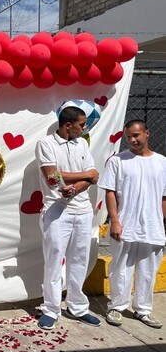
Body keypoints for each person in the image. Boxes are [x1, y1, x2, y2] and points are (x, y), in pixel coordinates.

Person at [35, 106, 100, 331]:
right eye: (82, 124)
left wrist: (73, 189)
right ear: (68, 125)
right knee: (54, 259)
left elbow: (94, 177)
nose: (84, 128)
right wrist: (86, 175)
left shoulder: (82, 143)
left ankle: (78, 307)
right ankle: (51, 309)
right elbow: (51, 175)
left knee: (79, 259)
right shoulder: (46, 144)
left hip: (83, 210)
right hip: (55, 210)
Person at [99, 120, 166, 329]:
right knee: (121, 267)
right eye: (128, 137)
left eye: (136, 135)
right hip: (125, 224)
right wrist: (115, 221)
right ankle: (117, 307)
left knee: (148, 270)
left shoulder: (162, 162)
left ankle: (143, 310)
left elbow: (164, 195)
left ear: (147, 133)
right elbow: (109, 191)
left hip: (153, 227)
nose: (133, 140)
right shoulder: (118, 161)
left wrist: (161, 221)